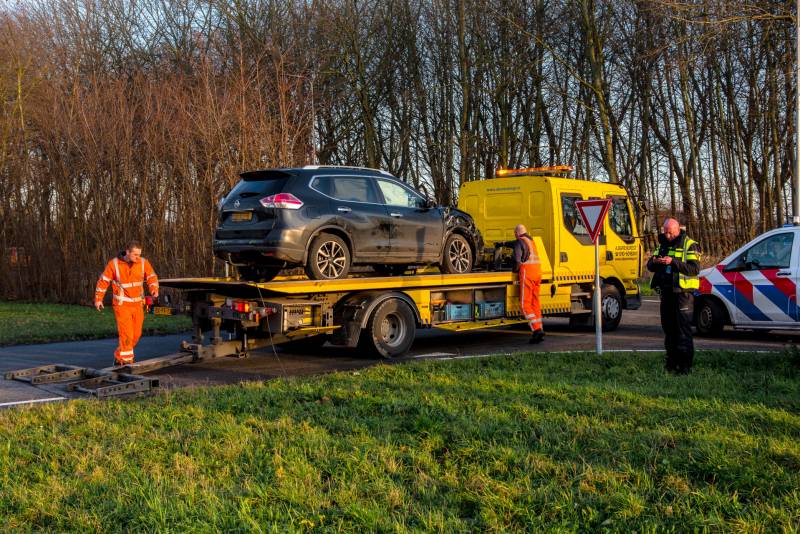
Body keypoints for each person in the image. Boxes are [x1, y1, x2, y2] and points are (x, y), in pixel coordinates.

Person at [647, 218, 700, 374]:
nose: (667, 235)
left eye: (670, 232)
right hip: (666, 293)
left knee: (683, 331)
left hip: (683, 294)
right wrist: (655, 261)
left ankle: (685, 367)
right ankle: (671, 364)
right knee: (669, 330)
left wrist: (672, 262)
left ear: (677, 230)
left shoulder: (689, 244)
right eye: (665, 232)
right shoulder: (662, 244)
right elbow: (650, 266)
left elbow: (694, 269)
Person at [94, 241, 159, 366]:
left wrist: (154, 289)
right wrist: (98, 299)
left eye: (139, 254)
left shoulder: (143, 263)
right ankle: (127, 363)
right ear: (127, 252)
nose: (137, 257)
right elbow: (103, 281)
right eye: (135, 254)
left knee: (136, 334)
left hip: (138, 305)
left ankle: (119, 356)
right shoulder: (114, 264)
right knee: (127, 334)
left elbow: (152, 277)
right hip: (122, 305)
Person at [495, 224, 544, 344]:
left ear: (516, 233)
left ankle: (536, 330)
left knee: (524, 304)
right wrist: (502, 243)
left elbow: (517, 260)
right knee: (534, 303)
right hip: (538, 273)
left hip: (528, 273)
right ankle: (540, 328)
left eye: (514, 234)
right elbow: (514, 243)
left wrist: (514, 270)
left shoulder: (519, 242)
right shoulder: (530, 241)